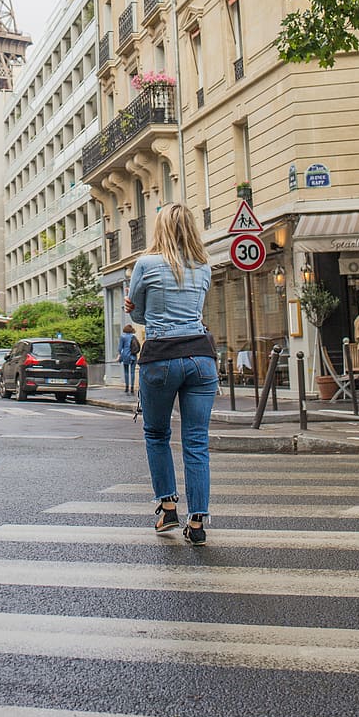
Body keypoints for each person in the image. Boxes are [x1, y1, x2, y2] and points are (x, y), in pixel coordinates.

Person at [125, 202, 217, 546]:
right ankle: (197, 523)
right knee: (196, 442)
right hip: (200, 357)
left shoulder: (145, 264)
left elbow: (141, 316)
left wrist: (139, 309)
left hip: (161, 355)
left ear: (160, 228)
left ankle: (167, 507)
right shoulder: (204, 267)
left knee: (157, 433)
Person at [117, 324, 140, 394]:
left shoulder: (122, 337)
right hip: (133, 356)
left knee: (126, 372)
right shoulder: (134, 337)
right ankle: (132, 388)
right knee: (132, 372)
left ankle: (127, 387)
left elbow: (120, 348)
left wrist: (119, 356)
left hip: (126, 356)